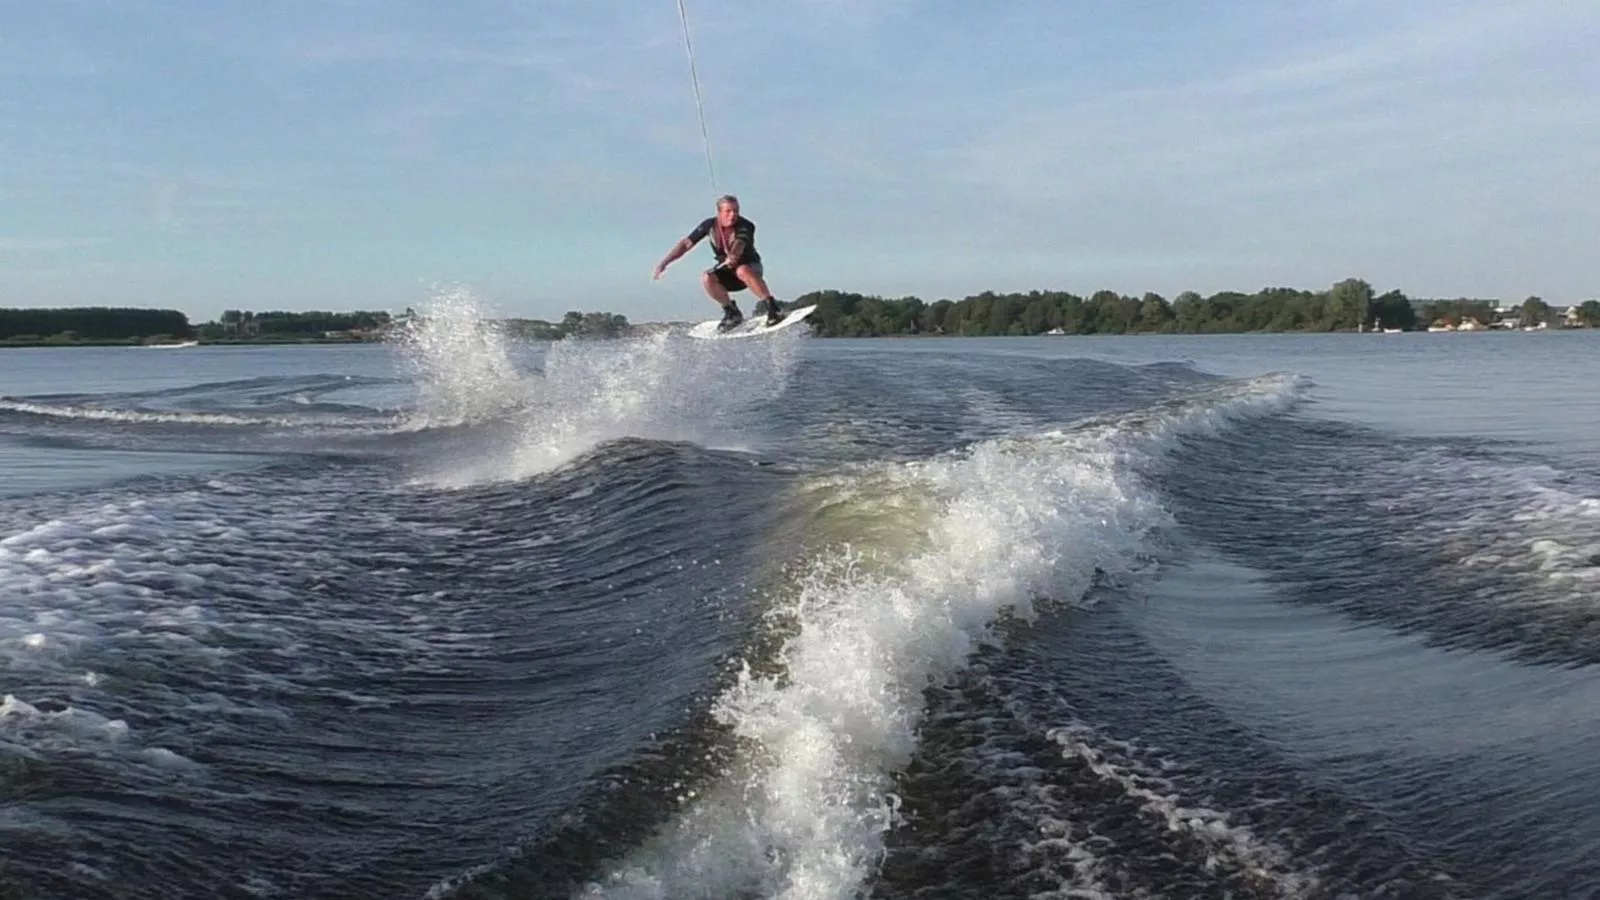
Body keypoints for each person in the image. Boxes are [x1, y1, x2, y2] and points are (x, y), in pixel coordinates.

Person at [653, 194, 786, 331]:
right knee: (707, 277)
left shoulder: (746, 225)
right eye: (728, 211)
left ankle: (773, 308)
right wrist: (664, 263)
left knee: (742, 270)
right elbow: (686, 244)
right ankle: (731, 312)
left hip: (751, 269)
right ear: (719, 213)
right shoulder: (709, 225)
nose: (733, 215)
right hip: (728, 272)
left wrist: (733, 255)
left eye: (736, 211)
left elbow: (740, 242)